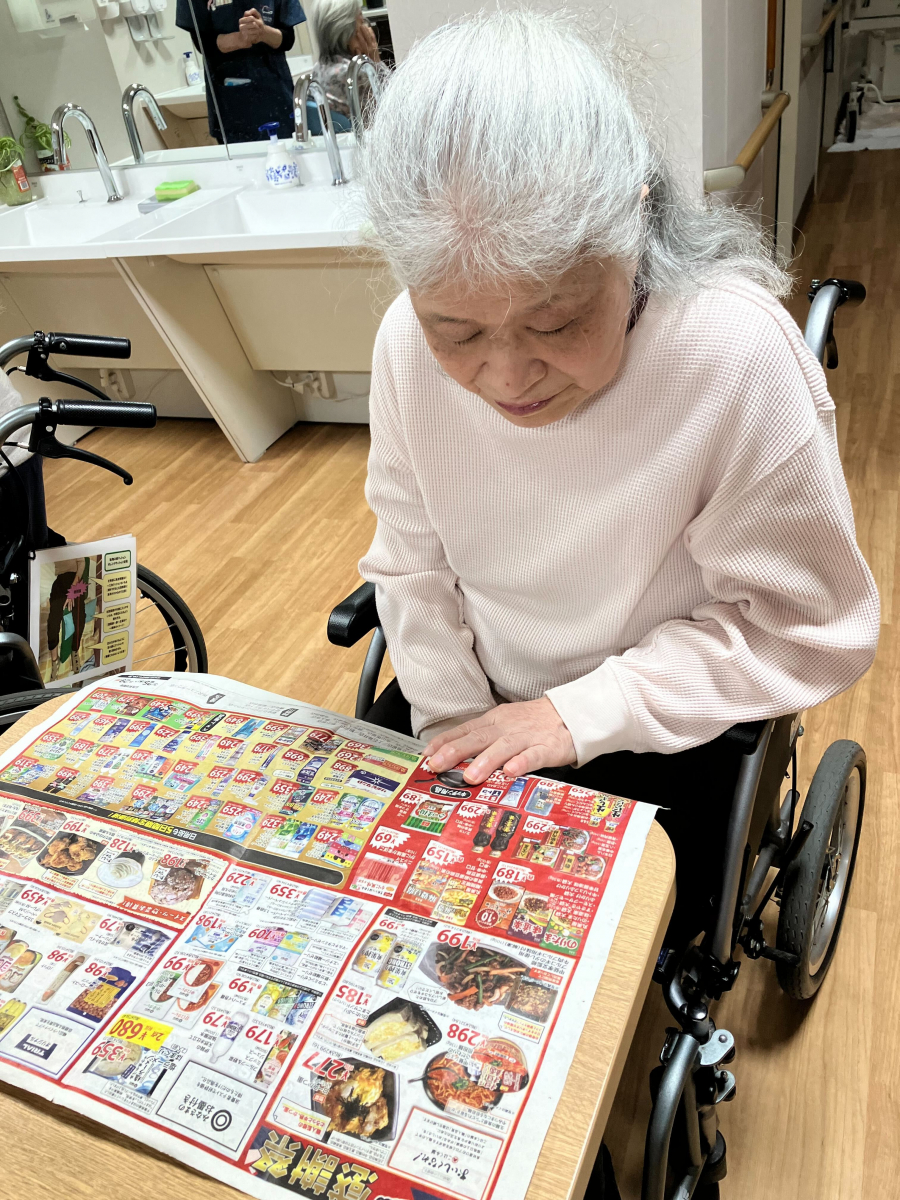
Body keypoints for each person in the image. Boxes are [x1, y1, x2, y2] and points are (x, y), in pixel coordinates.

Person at [356, 12, 880, 943]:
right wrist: (457, 728)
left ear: (635, 218)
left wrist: (576, 715)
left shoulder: (729, 355)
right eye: (457, 332)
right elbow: (411, 563)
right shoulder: (402, 343)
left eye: (556, 323)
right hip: (473, 696)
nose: (506, 377)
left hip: (666, 721)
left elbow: (807, 625)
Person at [176, 0, 306, 143]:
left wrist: (263, 32)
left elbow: (288, 39)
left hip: (276, 92)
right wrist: (239, 39)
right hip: (231, 103)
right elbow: (202, 43)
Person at [308, 0, 380, 121]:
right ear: (348, 31)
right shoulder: (356, 74)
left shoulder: (317, 68)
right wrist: (375, 59)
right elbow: (395, 108)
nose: (367, 28)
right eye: (361, 20)